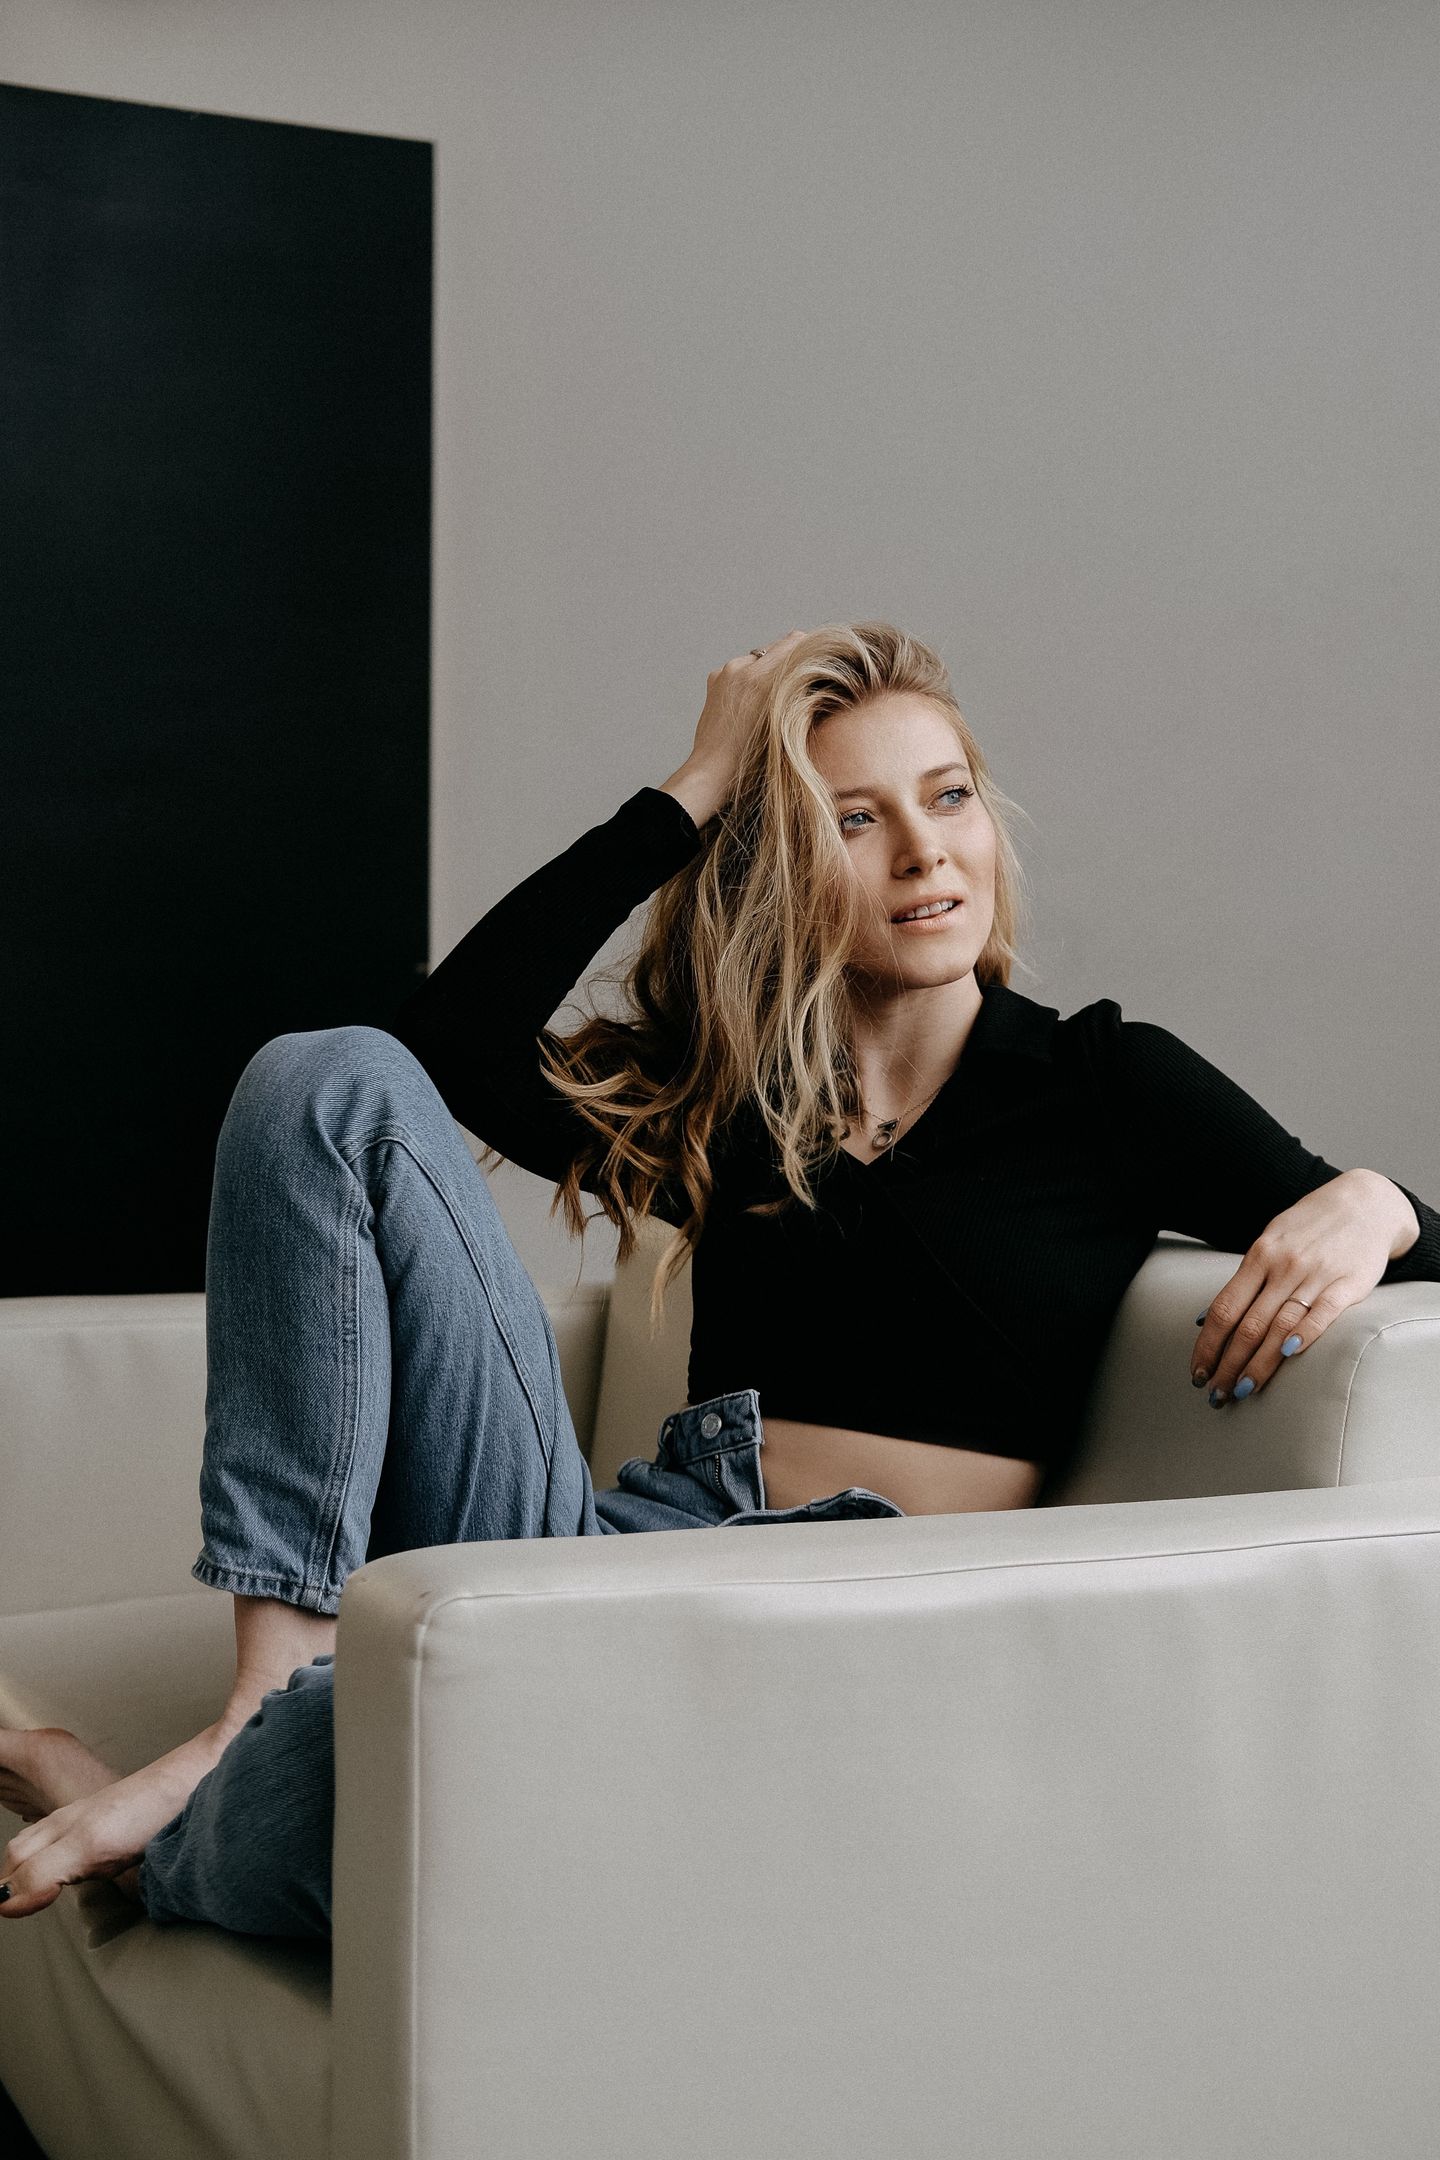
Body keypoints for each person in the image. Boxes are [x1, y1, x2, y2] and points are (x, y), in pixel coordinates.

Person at [3, 621, 1437, 1937]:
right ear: (779, 868)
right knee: (323, 1076)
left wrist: (1376, 1202)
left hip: (815, 1616)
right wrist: (691, 789)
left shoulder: (1101, 1083)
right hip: (601, 1553)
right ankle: (263, 1696)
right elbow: (449, 1042)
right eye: (853, 820)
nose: (924, 854)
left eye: (948, 798)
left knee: (392, 1765)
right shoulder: (734, 1101)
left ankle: (171, 1779)